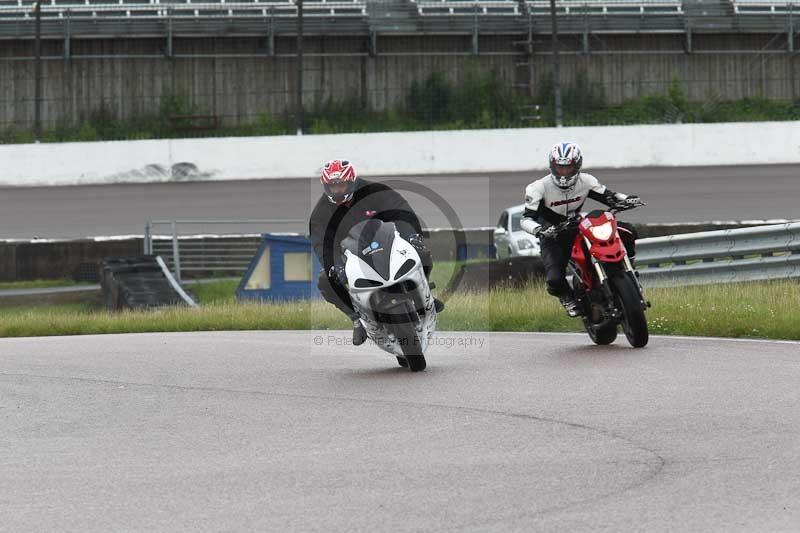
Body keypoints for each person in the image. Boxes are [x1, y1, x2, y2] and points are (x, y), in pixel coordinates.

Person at [309, 159, 444, 345]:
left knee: (421, 252)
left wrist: (412, 236)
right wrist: (333, 267)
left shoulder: (374, 191)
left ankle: (425, 294)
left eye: (342, 185)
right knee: (326, 281)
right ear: (325, 186)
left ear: (352, 181)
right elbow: (321, 243)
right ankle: (356, 318)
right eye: (333, 187)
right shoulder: (321, 212)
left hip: (384, 241)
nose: (338, 190)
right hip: (350, 254)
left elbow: (401, 210)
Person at [520, 142, 641, 317]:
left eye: (568, 167)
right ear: (552, 166)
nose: (564, 172)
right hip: (553, 234)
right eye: (560, 168)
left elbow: (609, 196)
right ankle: (568, 298)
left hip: (579, 227)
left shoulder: (587, 180)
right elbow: (526, 219)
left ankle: (630, 269)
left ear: (577, 165)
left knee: (628, 231)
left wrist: (627, 199)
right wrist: (540, 230)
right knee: (554, 279)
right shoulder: (537, 187)